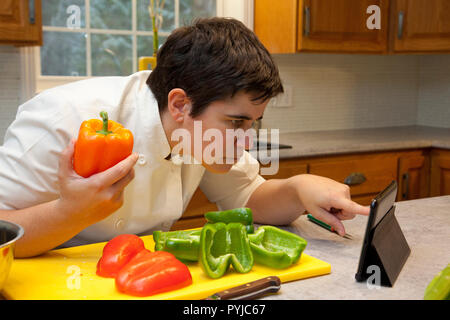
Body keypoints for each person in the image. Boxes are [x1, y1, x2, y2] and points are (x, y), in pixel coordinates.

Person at [0, 18, 369, 258]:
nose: (247, 141)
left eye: (253, 124)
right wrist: (69, 213)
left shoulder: (199, 131)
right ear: (180, 104)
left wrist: (299, 189)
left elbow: (245, 196)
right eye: (237, 123)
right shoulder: (59, 119)